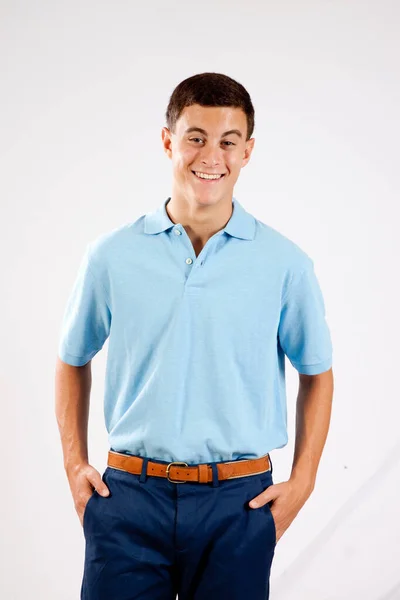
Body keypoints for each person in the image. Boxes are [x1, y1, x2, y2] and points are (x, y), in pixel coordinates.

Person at [55, 72, 334, 600]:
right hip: (129, 497)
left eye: (229, 141)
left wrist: (304, 481)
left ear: (247, 151)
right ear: (168, 141)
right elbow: (72, 358)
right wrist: (74, 464)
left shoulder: (285, 264)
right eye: (196, 137)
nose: (212, 155)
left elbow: (317, 372)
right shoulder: (110, 256)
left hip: (240, 504)